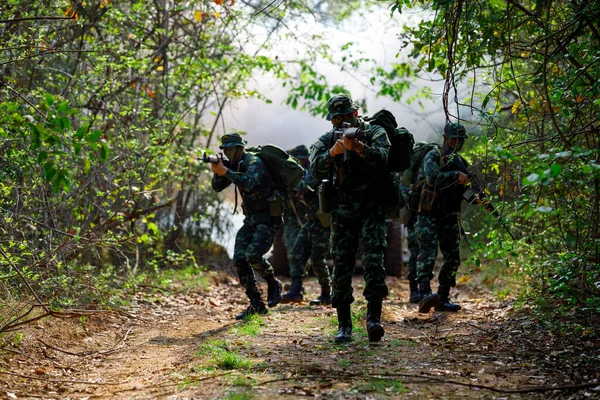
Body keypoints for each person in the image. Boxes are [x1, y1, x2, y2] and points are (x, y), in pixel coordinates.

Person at [310, 93, 390, 343]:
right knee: (342, 266)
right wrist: (331, 154)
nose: (341, 122)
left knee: (373, 261)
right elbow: (313, 170)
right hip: (343, 211)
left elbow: (384, 159)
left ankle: (373, 319)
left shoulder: (374, 132)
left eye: (346, 116)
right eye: (336, 119)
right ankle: (344, 324)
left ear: (356, 114)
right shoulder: (326, 140)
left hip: (371, 208)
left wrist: (360, 149)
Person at [210, 132, 283, 320]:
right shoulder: (234, 165)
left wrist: (226, 171)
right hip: (250, 219)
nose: (227, 152)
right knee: (239, 258)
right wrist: (218, 170)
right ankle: (256, 304)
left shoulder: (253, 162)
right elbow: (217, 187)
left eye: (230, 149)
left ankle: (273, 282)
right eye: (224, 149)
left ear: (240, 148)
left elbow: (249, 182)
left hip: (267, 218)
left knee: (253, 255)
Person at [414, 122, 472, 313]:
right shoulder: (434, 155)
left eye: (461, 140)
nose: (458, 143)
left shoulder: (462, 162)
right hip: (429, 214)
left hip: (449, 216)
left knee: (453, 257)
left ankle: (443, 296)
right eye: (455, 139)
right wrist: (456, 175)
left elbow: (463, 191)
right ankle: (424, 293)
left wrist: (475, 198)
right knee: (427, 254)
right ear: (446, 138)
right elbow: (432, 178)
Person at [280, 145, 332, 305]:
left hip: (322, 223)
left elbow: (305, 188)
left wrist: (293, 177)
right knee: (296, 253)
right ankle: (296, 289)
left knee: (317, 259)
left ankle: (326, 293)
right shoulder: (303, 173)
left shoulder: (315, 172)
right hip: (310, 222)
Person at [399, 183, 421, 303]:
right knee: (416, 252)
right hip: (414, 217)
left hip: (431, 215)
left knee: (427, 253)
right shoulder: (411, 172)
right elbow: (403, 192)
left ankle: (425, 289)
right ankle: (414, 290)